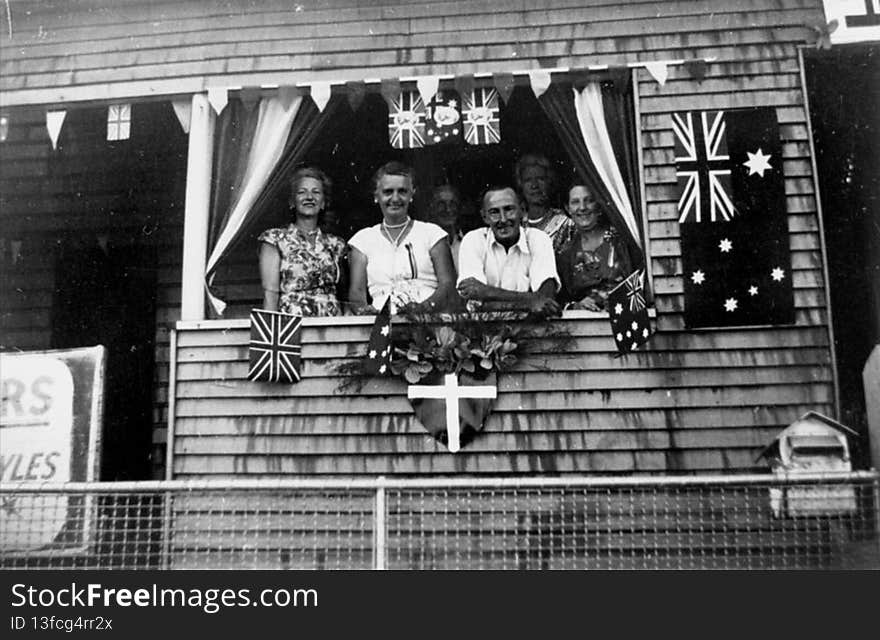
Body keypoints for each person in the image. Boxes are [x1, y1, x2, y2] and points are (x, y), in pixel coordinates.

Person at [348, 161, 455, 314]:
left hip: (429, 319)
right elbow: (357, 294)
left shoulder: (432, 234)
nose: (395, 198)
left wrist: (423, 309)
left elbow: (448, 285)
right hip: (382, 323)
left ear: (412, 195)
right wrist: (366, 312)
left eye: (402, 191)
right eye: (388, 192)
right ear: (376, 196)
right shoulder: (363, 240)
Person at [456, 185, 561, 316]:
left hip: (532, 330)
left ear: (522, 211)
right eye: (494, 212)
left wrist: (486, 292)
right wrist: (530, 301)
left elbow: (546, 299)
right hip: (485, 331)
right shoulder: (474, 240)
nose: (503, 219)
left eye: (509, 209)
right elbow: (475, 302)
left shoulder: (538, 239)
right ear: (484, 217)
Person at [258, 166, 347, 316]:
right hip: (292, 326)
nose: (309, 197)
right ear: (292, 201)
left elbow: (344, 294)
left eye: (316, 192)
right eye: (302, 192)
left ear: (324, 203)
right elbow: (270, 295)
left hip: (331, 325)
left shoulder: (336, 244)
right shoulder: (275, 240)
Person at [557, 183, 633, 311]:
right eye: (575, 202)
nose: (582, 207)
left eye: (589, 201)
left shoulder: (621, 240)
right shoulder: (566, 254)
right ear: (568, 208)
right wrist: (577, 306)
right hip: (588, 326)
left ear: (598, 205)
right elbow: (561, 300)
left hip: (625, 319)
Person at [514, 153, 575, 253]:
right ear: (521, 185)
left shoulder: (565, 223)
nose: (534, 186)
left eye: (540, 179)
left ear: (550, 182)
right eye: (528, 180)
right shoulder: (515, 222)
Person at [427, 184, 464, 272]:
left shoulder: (468, 242)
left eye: (453, 204)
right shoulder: (424, 244)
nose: (448, 209)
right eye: (441, 204)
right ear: (432, 208)